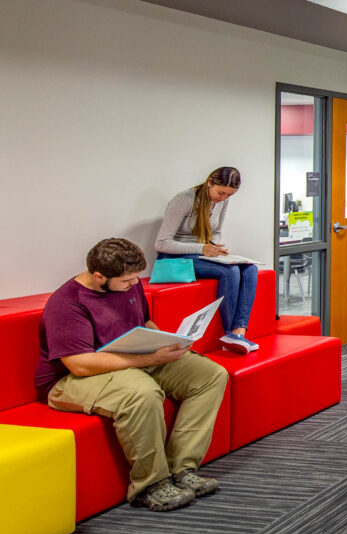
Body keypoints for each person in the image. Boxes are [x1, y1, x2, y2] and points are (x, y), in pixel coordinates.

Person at [35, 238, 228, 512]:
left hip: (131, 359)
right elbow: (79, 364)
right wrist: (150, 357)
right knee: (142, 393)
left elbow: (143, 323)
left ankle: (181, 470)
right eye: (126, 280)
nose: (133, 284)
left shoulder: (131, 283)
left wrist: (164, 339)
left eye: (135, 278)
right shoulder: (66, 303)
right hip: (72, 379)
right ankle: (151, 485)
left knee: (210, 375)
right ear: (99, 276)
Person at [156, 166, 258, 354]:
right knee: (230, 271)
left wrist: (217, 248)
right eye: (221, 193)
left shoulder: (221, 202)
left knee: (250, 269)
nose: (223, 198)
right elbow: (162, 243)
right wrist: (202, 248)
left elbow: (216, 231)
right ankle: (228, 333)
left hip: (202, 253)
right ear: (209, 182)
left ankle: (239, 331)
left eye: (229, 195)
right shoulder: (184, 200)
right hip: (175, 257)